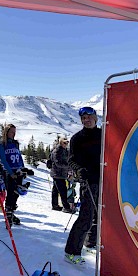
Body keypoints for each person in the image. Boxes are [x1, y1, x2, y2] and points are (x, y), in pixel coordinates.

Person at [64, 106, 102, 265]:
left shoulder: (103, 134)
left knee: (99, 214)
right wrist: (80, 170)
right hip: (88, 181)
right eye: (83, 118)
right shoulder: (77, 138)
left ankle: (90, 242)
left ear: (95, 118)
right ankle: (71, 251)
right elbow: (71, 160)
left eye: (89, 117)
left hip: (105, 179)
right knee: (86, 216)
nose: (86, 120)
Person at [0, 124, 25, 227]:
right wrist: (10, 173)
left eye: (15, 132)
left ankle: (11, 213)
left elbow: (19, 156)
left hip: (18, 170)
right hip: (9, 172)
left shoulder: (15, 143)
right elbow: (3, 160)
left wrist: (23, 169)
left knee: (17, 192)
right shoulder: (2, 144)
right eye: (11, 132)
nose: (13, 134)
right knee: (10, 192)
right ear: (6, 132)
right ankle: (8, 215)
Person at [50, 137, 73, 213]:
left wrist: (69, 171)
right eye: (64, 142)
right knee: (63, 190)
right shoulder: (56, 151)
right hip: (57, 173)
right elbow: (58, 163)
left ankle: (55, 205)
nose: (66, 144)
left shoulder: (65, 151)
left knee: (56, 190)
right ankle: (66, 207)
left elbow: (68, 161)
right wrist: (68, 166)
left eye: (67, 143)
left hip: (62, 174)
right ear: (60, 142)